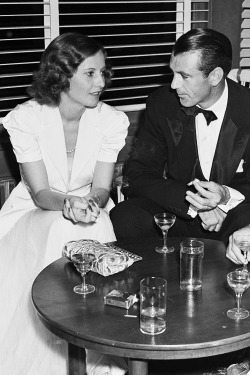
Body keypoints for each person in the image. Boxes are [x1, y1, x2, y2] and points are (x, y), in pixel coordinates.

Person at [0, 33, 129, 375]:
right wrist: (69, 204)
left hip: (90, 206)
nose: (101, 82)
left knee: (96, 223)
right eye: (90, 73)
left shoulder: (111, 121)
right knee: (61, 225)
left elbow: (102, 188)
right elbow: (41, 193)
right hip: (34, 209)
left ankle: (100, 351)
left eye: (103, 72)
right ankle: (57, 356)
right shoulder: (26, 119)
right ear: (62, 74)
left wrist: (90, 202)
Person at [110, 27, 250, 244]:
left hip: (233, 218)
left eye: (184, 76)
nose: (174, 85)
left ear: (215, 76)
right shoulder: (162, 103)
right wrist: (194, 204)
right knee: (126, 215)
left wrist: (225, 197)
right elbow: (138, 173)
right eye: (173, 73)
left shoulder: (247, 108)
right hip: (181, 212)